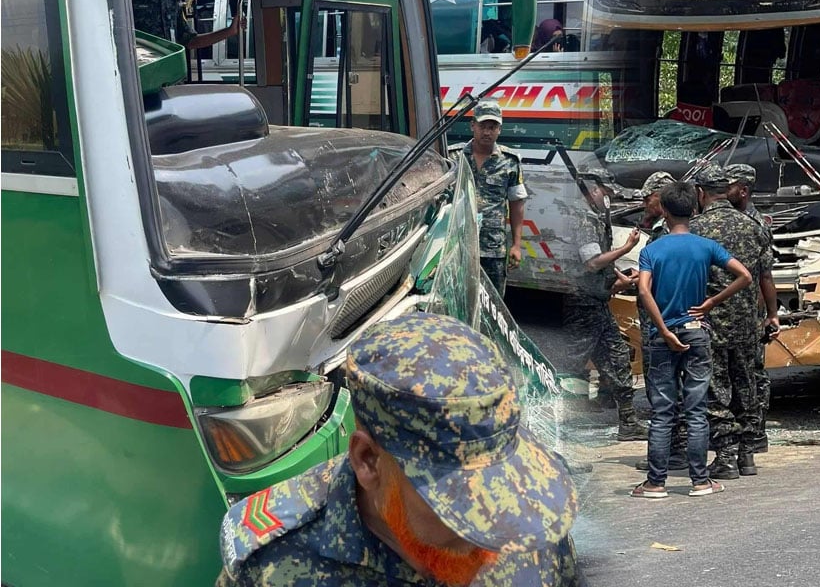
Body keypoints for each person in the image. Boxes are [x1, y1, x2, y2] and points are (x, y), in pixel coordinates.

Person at [216, 313, 580, 586]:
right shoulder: (270, 564)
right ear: (368, 461)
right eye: (458, 504)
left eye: (499, 487)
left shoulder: (533, 519)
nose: (488, 532)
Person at [632, 181, 753, 499]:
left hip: (662, 337)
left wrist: (664, 330)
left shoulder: (652, 250)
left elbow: (644, 290)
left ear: (666, 211)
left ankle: (655, 483)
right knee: (696, 410)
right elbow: (745, 275)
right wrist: (711, 302)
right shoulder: (705, 246)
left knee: (662, 412)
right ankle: (700, 481)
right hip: (698, 331)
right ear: (694, 208)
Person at [690, 165, 775, 479]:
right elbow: (766, 275)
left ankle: (725, 457)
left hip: (708, 319)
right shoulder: (753, 225)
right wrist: (772, 313)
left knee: (716, 387)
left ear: (701, 193)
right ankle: (747, 455)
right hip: (746, 322)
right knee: (746, 384)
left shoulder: (695, 228)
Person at [565, 171, 647, 441]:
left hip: (597, 302)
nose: (609, 198)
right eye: (605, 192)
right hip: (581, 304)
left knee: (617, 357)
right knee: (570, 367)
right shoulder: (582, 219)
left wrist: (623, 278)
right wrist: (626, 248)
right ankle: (558, 425)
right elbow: (592, 262)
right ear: (592, 190)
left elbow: (603, 265)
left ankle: (628, 422)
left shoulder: (596, 218)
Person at [630, 172, 691, 472]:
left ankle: (674, 452)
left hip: (664, 324)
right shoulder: (661, 231)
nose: (644, 203)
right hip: (664, 322)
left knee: (666, 389)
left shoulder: (667, 235)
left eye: (648, 197)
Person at [448, 100, 527, 297]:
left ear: (499, 129)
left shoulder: (510, 162)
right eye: (483, 126)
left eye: (492, 127)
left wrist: (517, 245)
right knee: (456, 300)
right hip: (458, 246)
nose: (487, 132)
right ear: (472, 125)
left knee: (492, 304)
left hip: (493, 249)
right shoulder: (453, 157)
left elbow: (516, 204)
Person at [725, 163, 778, 457]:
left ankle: (756, 433)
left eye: (730, 185)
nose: (725, 190)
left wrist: (771, 314)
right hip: (727, 311)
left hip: (750, 313)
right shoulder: (725, 220)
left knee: (753, 373)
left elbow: (765, 275)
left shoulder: (756, 224)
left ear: (743, 190)